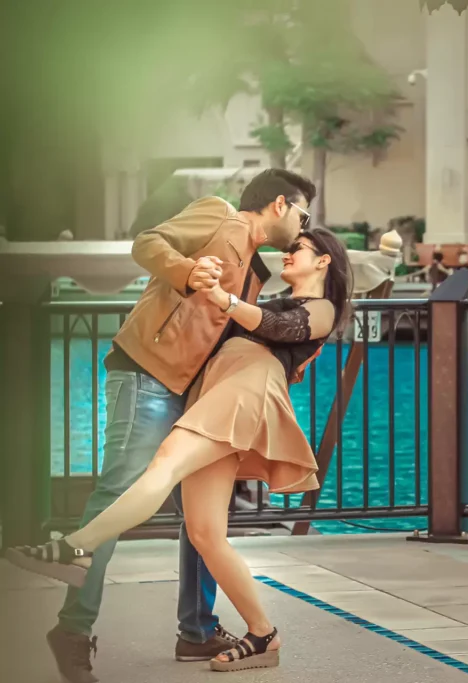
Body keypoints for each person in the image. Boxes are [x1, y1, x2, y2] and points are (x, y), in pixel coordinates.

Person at [16, 168, 316, 683]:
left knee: (202, 521)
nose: (306, 225)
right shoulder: (218, 213)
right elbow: (147, 242)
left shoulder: (254, 271)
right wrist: (186, 270)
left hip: (189, 394)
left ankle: (196, 632)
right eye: (305, 213)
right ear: (281, 204)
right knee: (117, 496)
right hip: (147, 376)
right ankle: (72, 629)